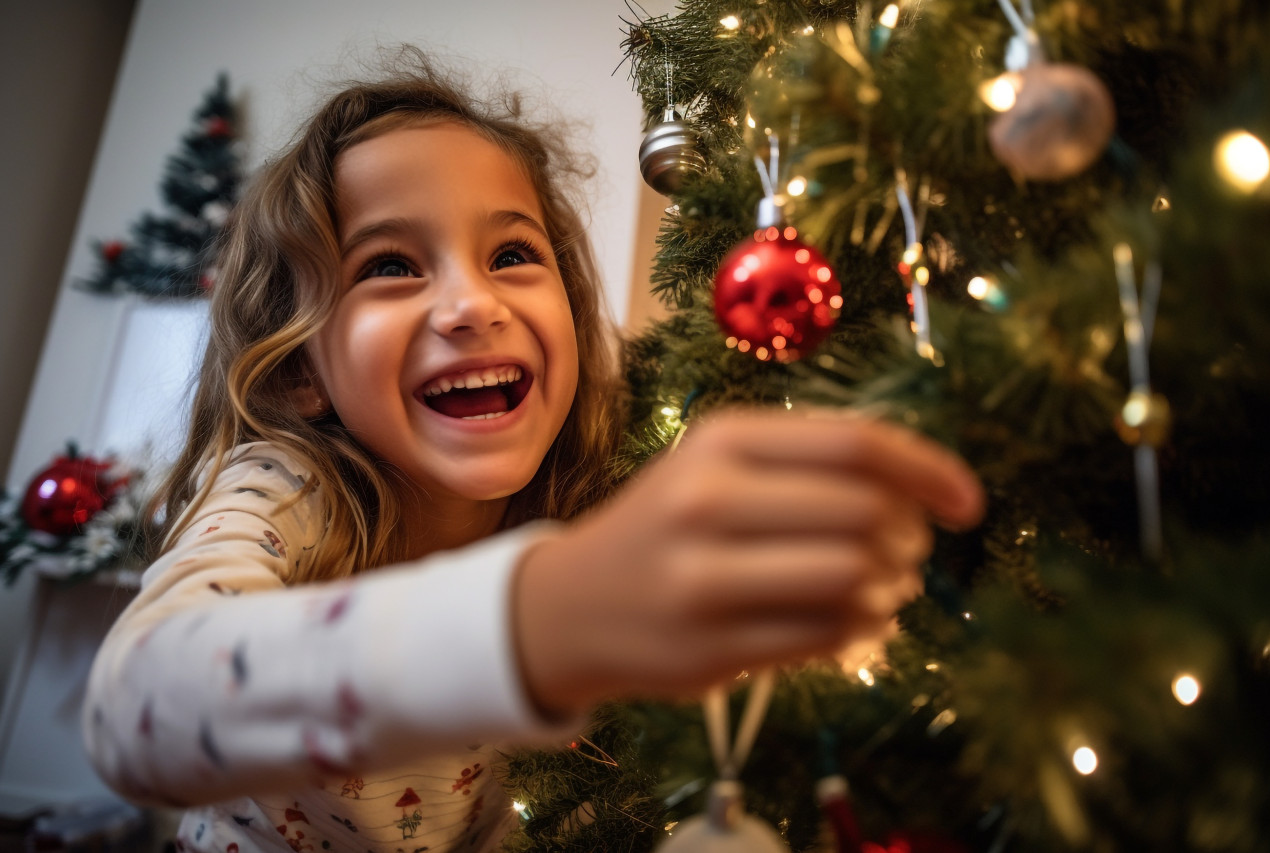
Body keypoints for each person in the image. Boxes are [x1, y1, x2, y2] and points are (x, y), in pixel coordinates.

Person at [81, 50, 984, 853]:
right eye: (390, 265)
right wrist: (536, 617)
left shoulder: (588, 485)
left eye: (514, 252)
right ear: (298, 374)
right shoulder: (285, 490)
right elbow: (134, 708)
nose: (473, 303)